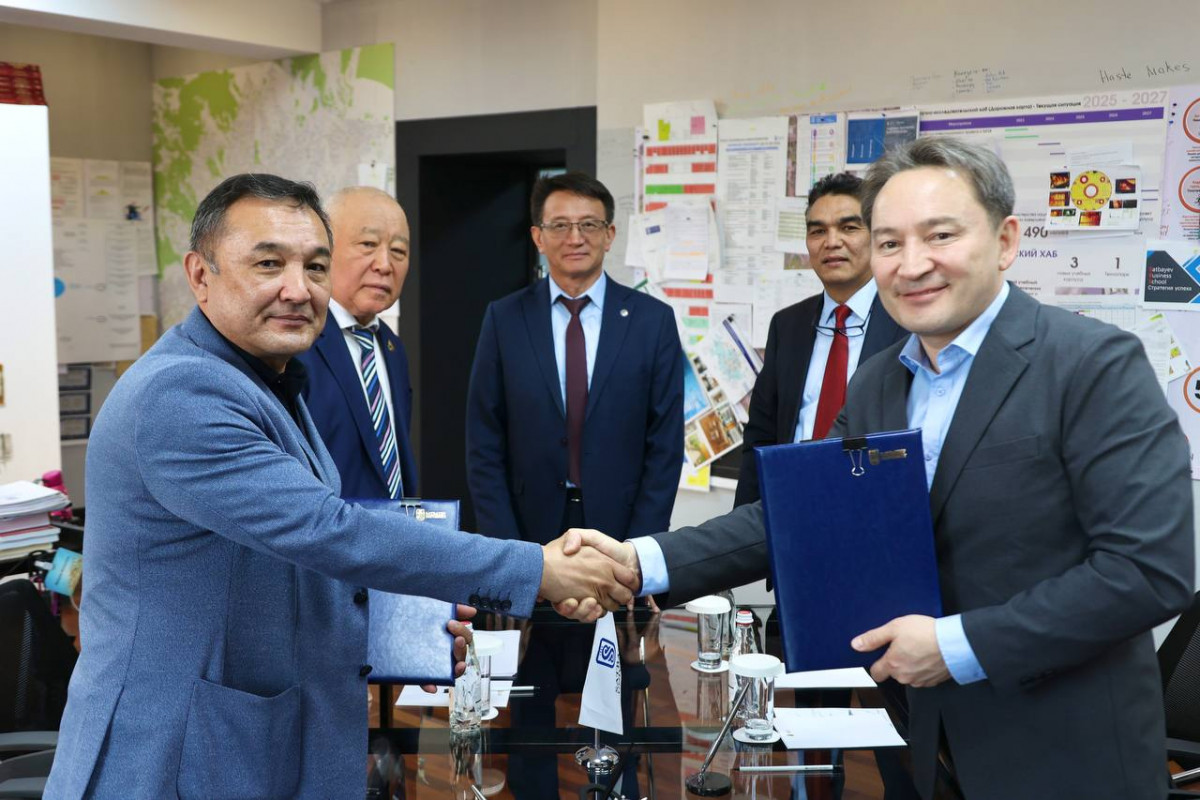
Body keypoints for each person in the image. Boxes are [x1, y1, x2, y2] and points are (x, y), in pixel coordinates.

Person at [559, 138, 1195, 800]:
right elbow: (802, 516)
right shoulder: (879, 382)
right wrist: (638, 562)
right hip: (926, 741)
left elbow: (1148, 570)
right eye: (890, 243)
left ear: (1006, 241)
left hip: (1063, 752)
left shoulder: (1092, 364)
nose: (911, 264)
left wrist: (956, 645)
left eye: (940, 235)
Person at [43, 174, 636, 800]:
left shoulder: (269, 379)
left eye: (316, 267)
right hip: (175, 756)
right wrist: (536, 569)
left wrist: (402, 629)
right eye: (268, 263)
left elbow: (284, 562)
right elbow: (327, 529)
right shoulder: (182, 393)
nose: (298, 289)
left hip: (256, 738)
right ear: (200, 275)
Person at [466, 171, 683, 546]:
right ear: (538, 237)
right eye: (560, 225)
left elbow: (665, 446)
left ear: (609, 235)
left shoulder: (653, 321)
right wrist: (506, 548)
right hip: (526, 530)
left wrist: (639, 549)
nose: (575, 238)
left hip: (621, 529)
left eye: (589, 224)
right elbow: (483, 441)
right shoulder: (505, 319)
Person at [734, 172, 905, 507]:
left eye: (849, 227)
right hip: (794, 502)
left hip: (875, 507)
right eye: (817, 231)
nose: (831, 241)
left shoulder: (908, 323)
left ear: (876, 236)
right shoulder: (788, 326)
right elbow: (761, 438)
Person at [296, 186, 417, 500]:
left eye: (399, 251)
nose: (385, 264)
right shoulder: (295, 343)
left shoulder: (392, 348)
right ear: (324, 250)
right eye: (368, 245)